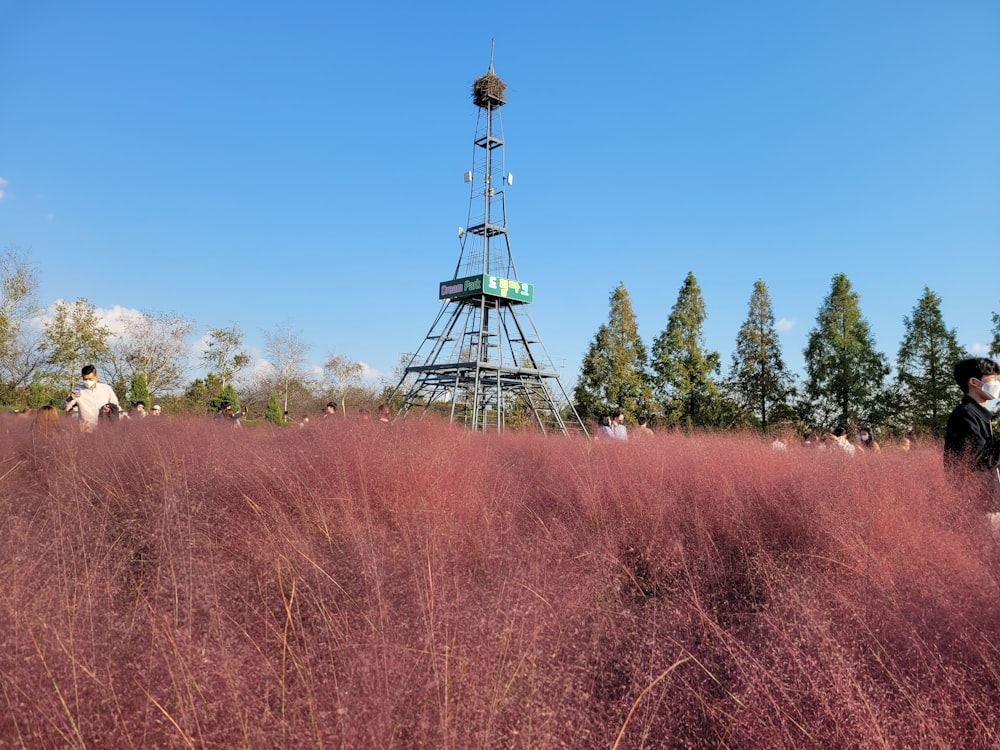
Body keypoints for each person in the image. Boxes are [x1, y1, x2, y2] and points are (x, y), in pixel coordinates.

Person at [943, 357, 1000, 512]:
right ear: (974, 382)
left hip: (987, 504)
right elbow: (979, 460)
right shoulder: (965, 415)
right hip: (978, 508)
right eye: (993, 378)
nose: (997, 383)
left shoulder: (977, 415)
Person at [64, 365, 120, 431]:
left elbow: (115, 405)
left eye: (90, 379)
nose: (87, 381)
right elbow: (64, 408)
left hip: (105, 429)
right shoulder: (77, 390)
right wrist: (70, 399)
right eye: (85, 379)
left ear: (96, 377)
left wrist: (109, 409)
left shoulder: (106, 388)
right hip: (86, 430)